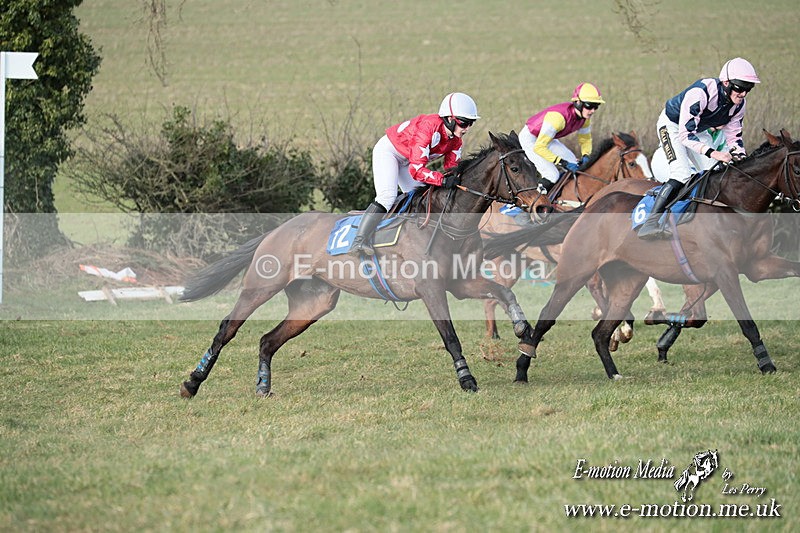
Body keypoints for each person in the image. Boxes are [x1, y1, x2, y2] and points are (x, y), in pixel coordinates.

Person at [638, 58, 760, 239]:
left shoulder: (739, 105)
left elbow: (735, 137)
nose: (743, 94)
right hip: (672, 126)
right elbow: (685, 135)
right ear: (726, 83)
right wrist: (715, 152)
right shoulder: (700, 92)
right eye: (740, 88)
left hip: (698, 129)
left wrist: (741, 157)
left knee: (715, 172)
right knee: (682, 174)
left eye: (748, 89)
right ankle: (650, 223)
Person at [348, 92, 480, 256]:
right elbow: (416, 170)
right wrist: (442, 181)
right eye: (464, 123)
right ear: (449, 118)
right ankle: (358, 241)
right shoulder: (428, 128)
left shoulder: (456, 139)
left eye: (471, 123)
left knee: (422, 198)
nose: (467, 128)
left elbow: (452, 168)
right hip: (389, 153)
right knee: (387, 196)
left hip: (408, 161)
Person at [518, 82, 605, 194]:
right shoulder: (558, 118)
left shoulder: (585, 119)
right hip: (531, 139)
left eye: (596, 106)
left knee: (576, 165)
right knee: (552, 175)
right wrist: (561, 162)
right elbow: (539, 147)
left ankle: (561, 196)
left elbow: (585, 139)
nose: (592, 111)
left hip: (547, 139)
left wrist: (586, 155)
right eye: (589, 105)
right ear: (578, 102)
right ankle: (527, 202)